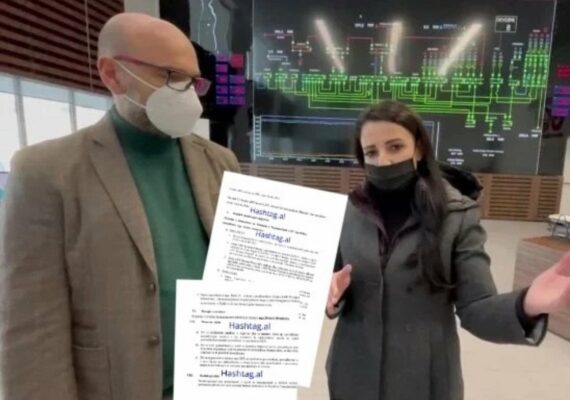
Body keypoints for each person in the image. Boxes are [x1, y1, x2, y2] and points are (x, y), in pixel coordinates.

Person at [0, 13, 240, 400]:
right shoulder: (47, 172)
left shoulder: (220, 162)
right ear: (112, 74)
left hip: (216, 385)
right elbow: (32, 330)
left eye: (193, 81)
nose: (187, 95)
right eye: (170, 76)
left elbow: (244, 271)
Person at [325, 100, 570, 400]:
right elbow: (331, 285)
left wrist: (525, 305)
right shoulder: (346, 212)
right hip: (352, 374)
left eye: (395, 147)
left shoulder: (456, 216)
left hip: (425, 381)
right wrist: (331, 299)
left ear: (418, 148)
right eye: (371, 152)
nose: (384, 161)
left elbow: (477, 307)